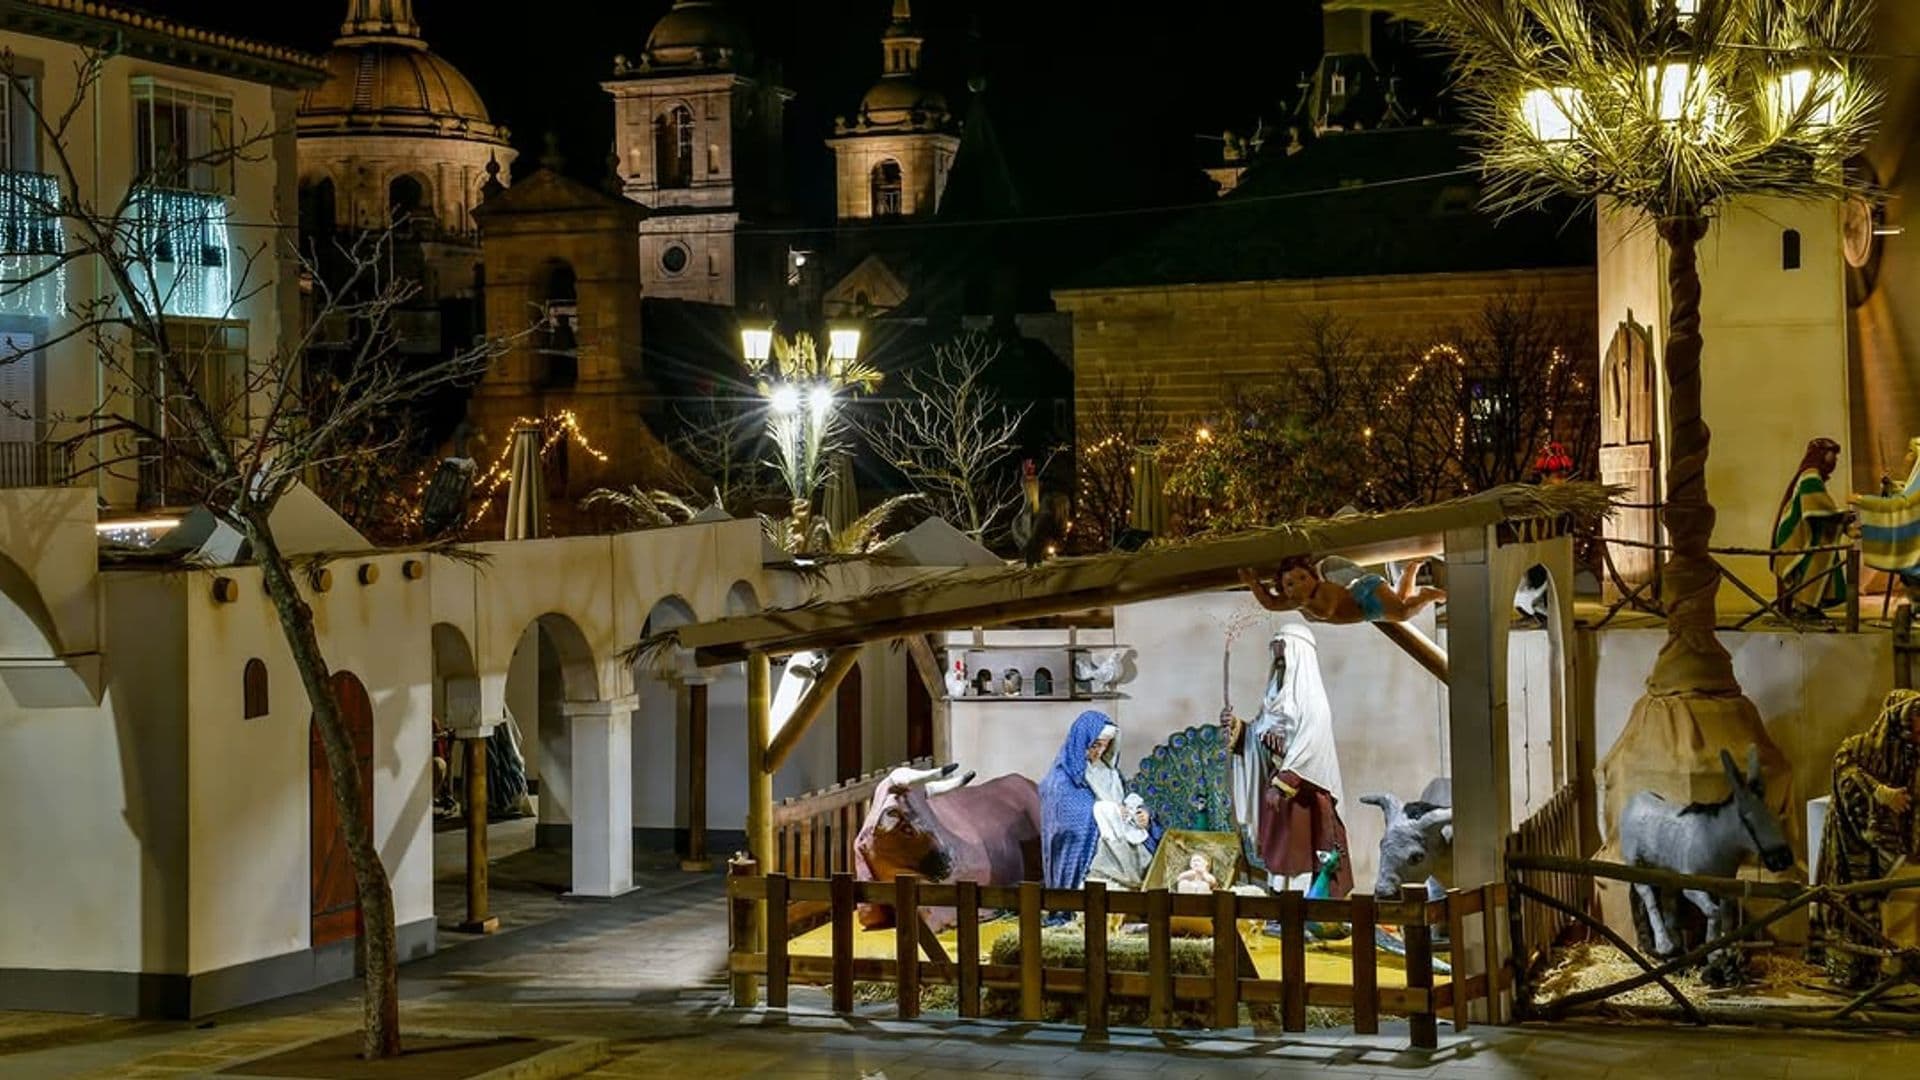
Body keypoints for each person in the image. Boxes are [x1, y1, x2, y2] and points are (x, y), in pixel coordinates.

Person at [1222, 623, 1354, 905]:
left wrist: (1284, 784)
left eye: (1284, 653)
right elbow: (1261, 737)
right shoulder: (1272, 698)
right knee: (1281, 851)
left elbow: (1309, 747)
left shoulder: (1313, 703)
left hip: (1304, 794)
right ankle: (1283, 905)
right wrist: (1239, 729)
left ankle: (1307, 909)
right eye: (1276, 655)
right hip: (1278, 792)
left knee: (1301, 851)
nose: (1279, 660)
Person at [1812, 690, 1920, 989]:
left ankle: (1888, 969)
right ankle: (1850, 969)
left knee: (1889, 905)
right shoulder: (1858, 748)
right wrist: (1879, 793)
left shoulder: (1913, 755)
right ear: (1899, 719)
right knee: (1852, 903)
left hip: (1896, 847)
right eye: (1916, 717)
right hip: (1851, 842)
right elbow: (1845, 773)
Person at [1039, 711, 1157, 907]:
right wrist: (1108, 810)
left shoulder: (1109, 772)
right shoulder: (1062, 778)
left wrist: (1142, 812)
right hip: (1093, 850)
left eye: (1105, 745)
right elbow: (1066, 817)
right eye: (1095, 745)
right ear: (1082, 741)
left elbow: (1127, 798)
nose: (1100, 751)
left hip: (1124, 838)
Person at [1770, 437, 1852, 616]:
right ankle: (1804, 606)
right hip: (1797, 535)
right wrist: (1842, 516)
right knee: (1813, 561)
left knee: (1824, 554)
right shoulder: (1811, 476)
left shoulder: (1812, 475)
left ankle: (1810, 605)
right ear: (1822, 455)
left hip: (1804, 531)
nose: (1835, 461)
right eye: (1833, 455)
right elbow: (1818, 505)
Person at [1239, 556, 1444, 624]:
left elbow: (1327, 611)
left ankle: (1427, 594)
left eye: (1302, 577)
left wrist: (1306, 603)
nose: (1300, 585)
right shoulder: (1297, 601)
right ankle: (1411, 570)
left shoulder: (1323, 590)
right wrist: (1253, 584)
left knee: (1402, 612)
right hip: (1365, 611)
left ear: (1312, 576)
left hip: (1365, 590)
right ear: (1284, 590)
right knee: (1401, 602)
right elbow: (1270, 603)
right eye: (1290, 584)